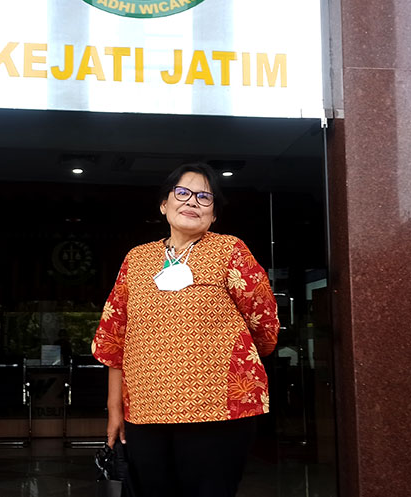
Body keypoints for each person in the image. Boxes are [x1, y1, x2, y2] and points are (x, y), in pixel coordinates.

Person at [92, 162, 280, 497]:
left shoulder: (230, 251)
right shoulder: (136, 260)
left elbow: (264, 323)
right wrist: (114, 409)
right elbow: (112, 337)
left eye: (204, 197)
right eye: (182, 193)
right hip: (147, 410)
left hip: (220, 410)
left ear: (214, 214)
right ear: (164, 204)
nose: (192, 201)